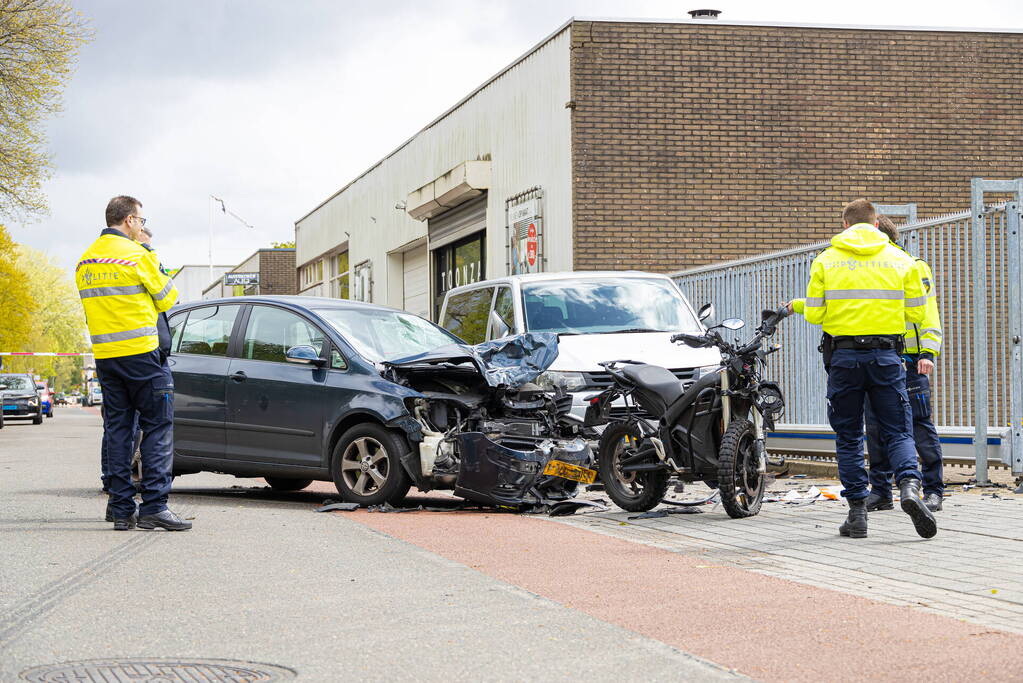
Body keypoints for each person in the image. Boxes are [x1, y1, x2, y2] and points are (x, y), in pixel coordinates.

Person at [788, 198, 936, 539]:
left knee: (850, 435)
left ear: (844, 226)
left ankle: (857, 514)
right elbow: (916, 314)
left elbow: (814, 314)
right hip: (886, 358)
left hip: (844, 359)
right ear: (875, 225)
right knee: (898, 430)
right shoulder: (901, 260)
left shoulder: (826, 260)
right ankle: (911, 488)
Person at [77, 195, 190, 531]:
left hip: (107, 359)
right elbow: (169, 297)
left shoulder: (85, 261)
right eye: (140, 220)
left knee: (117, 429)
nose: (141, 225)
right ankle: (154, 505)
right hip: (143, 355)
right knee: (157, 427)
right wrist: (151, 254)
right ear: (129, 220)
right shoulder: (136, 255)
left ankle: (120, 507)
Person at [864, 216, 945, 512]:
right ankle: (881, 491)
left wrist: (928, 353)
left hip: (909, 361)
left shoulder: (912, 265)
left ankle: (934, 489)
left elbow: (928, 314)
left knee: (920, 425)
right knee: (874, 427)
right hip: (881, 359)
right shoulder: (870, 270)